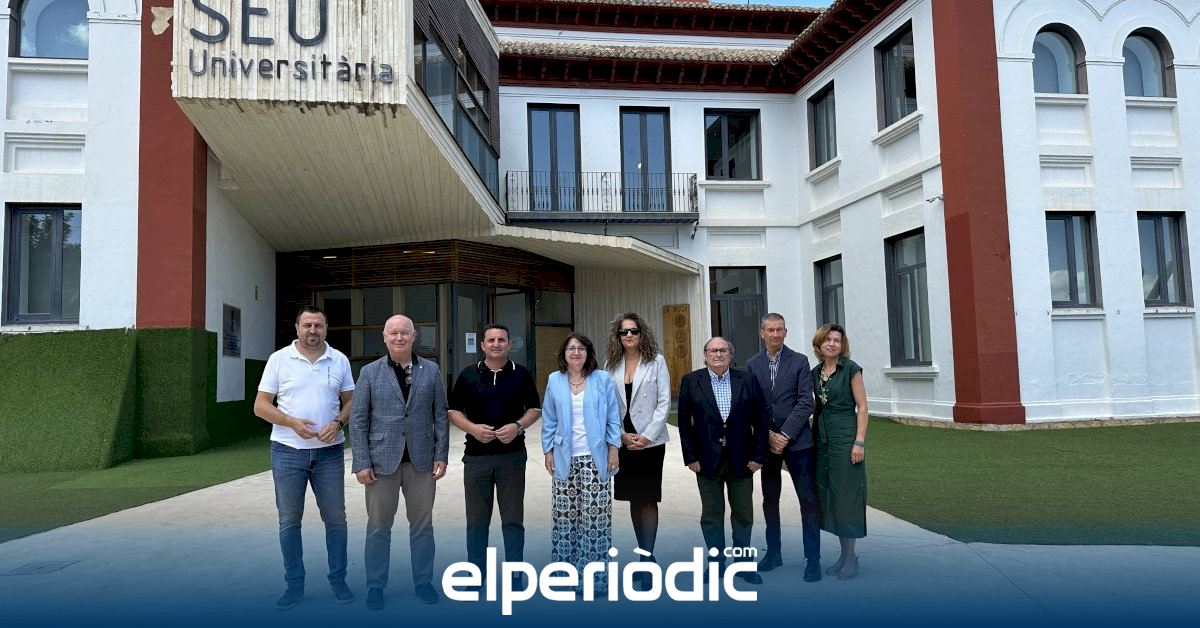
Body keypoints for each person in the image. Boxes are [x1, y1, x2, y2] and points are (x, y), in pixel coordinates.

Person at [254, 306, 356, 610]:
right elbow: (261, 406)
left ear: (326, 328)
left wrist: (338, 422)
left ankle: (339, 581)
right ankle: (294, 586)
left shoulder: (339, 359)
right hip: (287, 452)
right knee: (289, 521)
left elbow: (352, 401)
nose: (313, 330)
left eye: (319, 325)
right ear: (297, 327)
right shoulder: (279, 359)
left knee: (336, 519)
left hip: (330, 453)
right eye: (307, 325)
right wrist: (291, 423)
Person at [350, 315, 449, 609]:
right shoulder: (369, 372)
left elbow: (440, 415)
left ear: (414, 336)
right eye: (393, 333)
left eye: (404, 333)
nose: (399, 337)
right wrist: (361, 461)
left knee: (422, 526)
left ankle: (423, 582)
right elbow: (358, 420)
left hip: (421, 462)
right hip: (381, 464)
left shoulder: (431, 370)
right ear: (384, 337)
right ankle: (375, 586)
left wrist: (441, 454)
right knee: (378, 527)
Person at [448, 324, 542, 590]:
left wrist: (518, 426)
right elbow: (453, 411)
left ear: (509, 344)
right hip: (476, 458)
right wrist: (472, 429)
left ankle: (515, 576)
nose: (496, 344)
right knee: (477, 521)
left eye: (501, 339)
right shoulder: (468, 375)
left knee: (512, 520)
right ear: (483, 345)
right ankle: (476, 575)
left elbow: (535, 408)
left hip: (512, 458)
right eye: (491, 340)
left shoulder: (521, 374)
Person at [677, 337, 768, 585]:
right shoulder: (691, 380)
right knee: (711, 515)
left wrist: (758, 456)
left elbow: (761, 420)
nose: (718, 354)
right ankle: (716, 564)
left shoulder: (747, 379)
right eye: (713, 350)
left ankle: (742, 565)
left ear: (731, 354)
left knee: (743, 514)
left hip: (742, 460)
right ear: (705, 355)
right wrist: (690, 457)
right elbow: (684, 423)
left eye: (723, 350)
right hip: (706, 460)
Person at [541, 332, 622, 594]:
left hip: (595, 457)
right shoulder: (555, 380)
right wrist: (548, 451)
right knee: (565, 518)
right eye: (571, 348)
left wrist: (613, 448)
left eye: (581, 348)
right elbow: (549, 419)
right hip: (564, 456)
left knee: (595, 520)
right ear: (564, 354)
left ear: (588, 353)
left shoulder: (602, 379)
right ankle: (564, 576)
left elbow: (613, 416)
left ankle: (596, 580)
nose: (576, 353)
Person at [746, 313, 821, 581]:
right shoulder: (752, 364)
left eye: (780, 330)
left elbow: (806, 402)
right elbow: (752, 404)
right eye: (770, 330)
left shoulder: (799, 361)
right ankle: (774, 553)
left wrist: (784, 434)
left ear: (786, 332)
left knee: (808, 500)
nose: (775, 334)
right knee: (770, 500)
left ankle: (813, 559)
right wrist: (769, 435)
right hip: (767, 444)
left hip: (798, 442)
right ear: (762, 333)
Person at [603, 312, 671, 591]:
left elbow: (665, 402)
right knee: (633, 499)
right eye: (624, 332)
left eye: (634, 331)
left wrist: (647, 435)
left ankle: (647, 559)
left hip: (650, 442)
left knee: (648, 499)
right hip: (624, 441)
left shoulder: (656, 361)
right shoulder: (611, 364)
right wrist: (620, 434)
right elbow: (608, 405)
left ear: (642, 333)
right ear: (617, 336)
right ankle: (644, 557)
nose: (629, 335)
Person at [811, 324, 869, 581]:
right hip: (822, 441)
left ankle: (851, 558)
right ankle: (844, 556)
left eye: (837, 340)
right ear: (819, 344)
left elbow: (863, 407)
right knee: (831, 498)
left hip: (845, 440)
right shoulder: (815, 372)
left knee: (847, 498)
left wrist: (859, 442)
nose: (832, 344)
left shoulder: (851, 369)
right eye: (827, 340)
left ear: (842, 345)